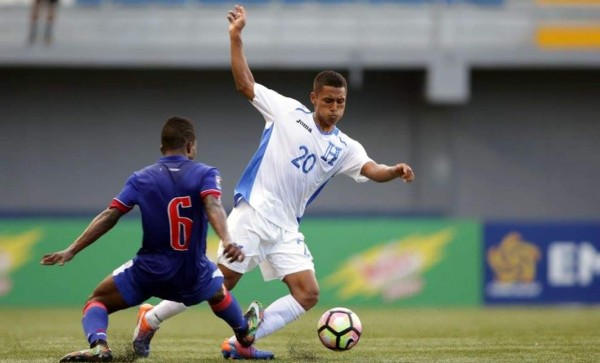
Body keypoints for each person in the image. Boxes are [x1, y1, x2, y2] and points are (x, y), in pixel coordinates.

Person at [132, 5, 415, 360]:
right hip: (253, 213)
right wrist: (236, 37)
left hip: (285, 228)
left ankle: (241, 343)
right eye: (328, 101)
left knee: (307, 293)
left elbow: (372, 169)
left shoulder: (346, 146)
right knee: (217, 285)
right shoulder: (286, 111)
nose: (334, 108)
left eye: (340, 102)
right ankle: (151, 318)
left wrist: (394, 170)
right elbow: (244, 84)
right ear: (314, 98)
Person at [41, 116, 264, 362]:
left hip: (149, 272)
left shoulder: (141, 178)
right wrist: (227, 239)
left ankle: (99, 345)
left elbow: (110, 215)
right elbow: (213, 204)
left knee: (97, 301)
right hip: (192, 271)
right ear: (190, 146)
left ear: (162, 148)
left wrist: (72, 249)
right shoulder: (205, 173)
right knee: (219, 290)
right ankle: (244, 335)